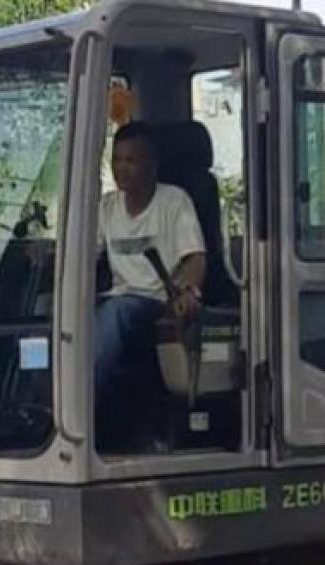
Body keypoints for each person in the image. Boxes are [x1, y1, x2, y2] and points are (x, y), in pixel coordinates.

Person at [94, 122, 206, 444]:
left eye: (132, 160)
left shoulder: (174, 202)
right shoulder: (107, 207)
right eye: (117, 160)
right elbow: (89, 255)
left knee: (117, 313)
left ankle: (86, 409)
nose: (122, 169)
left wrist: (190, 291)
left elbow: (195, 257)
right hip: (117, 300)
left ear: (152, 165)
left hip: (154, 303)